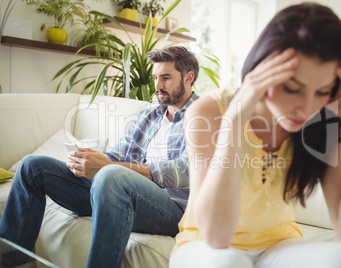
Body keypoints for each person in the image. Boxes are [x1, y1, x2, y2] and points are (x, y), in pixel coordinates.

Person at [169, 3, 341, 268]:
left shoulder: (325, 122)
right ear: (262, 69)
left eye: (322, 91)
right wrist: (235, 123)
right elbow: (217, 236)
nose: (307, 108)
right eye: (292, 88)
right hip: (203, 245)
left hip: (278, 245)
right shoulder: (209, 111)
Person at [0, 46, 199, 267]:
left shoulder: (203, 114)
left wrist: (111, 168)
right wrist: (89, 161)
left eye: (166, 78)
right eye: (155, 77)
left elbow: (191, 168)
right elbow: (117, 155)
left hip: (171, 210)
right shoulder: (150, 115)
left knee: (112, 175)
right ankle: (11, 263)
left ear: (189, 77)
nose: (158, 86)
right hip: (118, 194)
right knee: (33, 167)